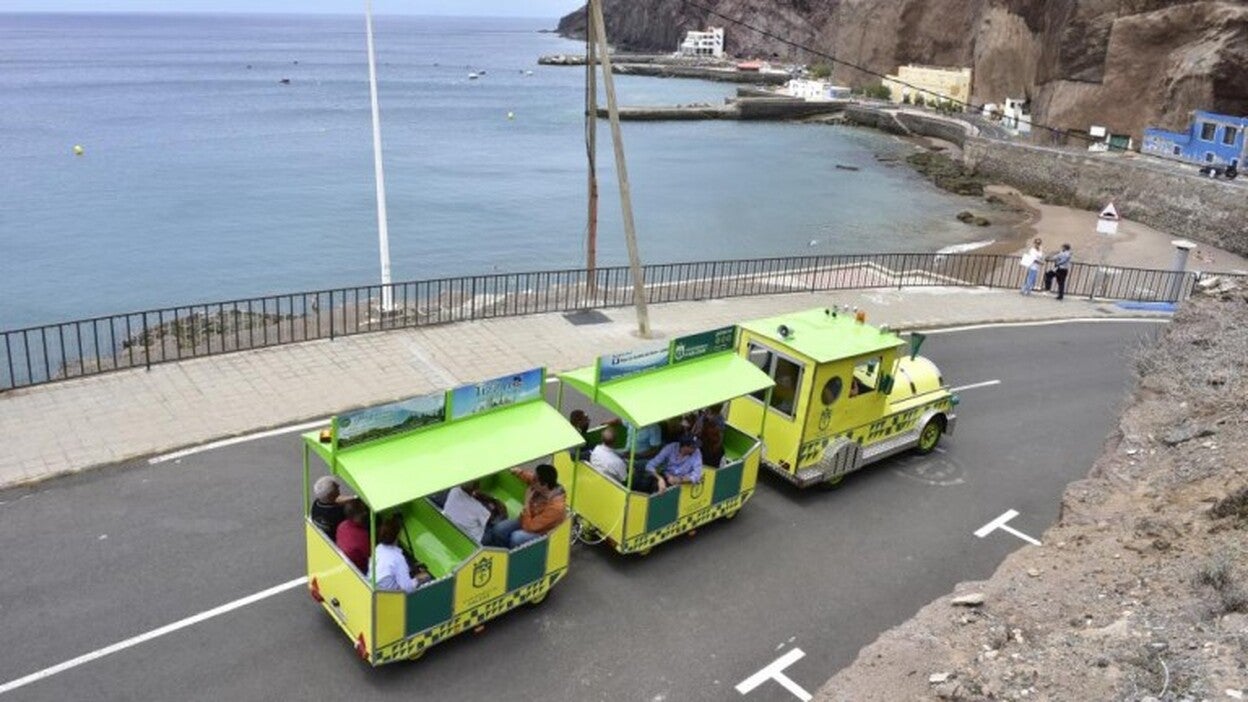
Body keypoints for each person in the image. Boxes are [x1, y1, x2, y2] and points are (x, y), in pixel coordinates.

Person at [484, 464, 566, 548]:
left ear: (544, 485)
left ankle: (513, 555)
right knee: (499, 529)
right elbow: (529, 478)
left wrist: (526, 502)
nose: (532, 481)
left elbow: (530, 527)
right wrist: (518, 472)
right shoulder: (542, 485)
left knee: (516, 537)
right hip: (527, 519)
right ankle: (503, 550)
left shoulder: (556, 507)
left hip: (540, 532)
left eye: (535, 479)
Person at [368, 514, 431, 592]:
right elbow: (407, 588)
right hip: (389, 596)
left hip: (372, 588)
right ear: (398, 535)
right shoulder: (398, 558)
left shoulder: (378, 549)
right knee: (427, 577)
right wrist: (419, 579)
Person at [335, 499, 371, 571]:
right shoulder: (361, 536)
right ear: (355, 515)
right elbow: (370, 554)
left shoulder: (342, 525)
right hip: (360, 569)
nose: (365, 513)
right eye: (362, 512)